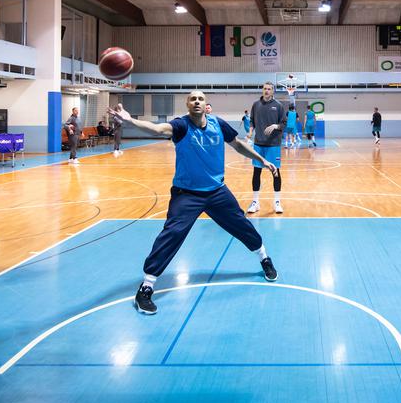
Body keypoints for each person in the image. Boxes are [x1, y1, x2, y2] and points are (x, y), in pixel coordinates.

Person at [112, 91, 279, 314]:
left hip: (216, 191)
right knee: (171, 234)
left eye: (200, 98)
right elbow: (158, 129)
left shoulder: (217, 124)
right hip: (187, 194)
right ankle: (146, 286)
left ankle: (264, 258)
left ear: (206, 103)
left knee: (242, 225)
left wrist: (261, 159)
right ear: (187, 104)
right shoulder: (181, 126)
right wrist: (130, 120)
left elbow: (238, 145)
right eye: (193, 99)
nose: (197, 102)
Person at [248, 83, 285, 214]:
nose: (266, 91)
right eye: (265, 89)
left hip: (273, 144)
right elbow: (251, 120)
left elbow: (283, 123)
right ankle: (255, 202)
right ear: (262, 90)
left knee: (275, 172)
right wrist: (251, 131)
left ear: (273, 91)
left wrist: (276, 126)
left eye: (269, 89)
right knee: (256, 172)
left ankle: (277, 202)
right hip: (258, 143)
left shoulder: (279, 106)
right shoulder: (255, 104)